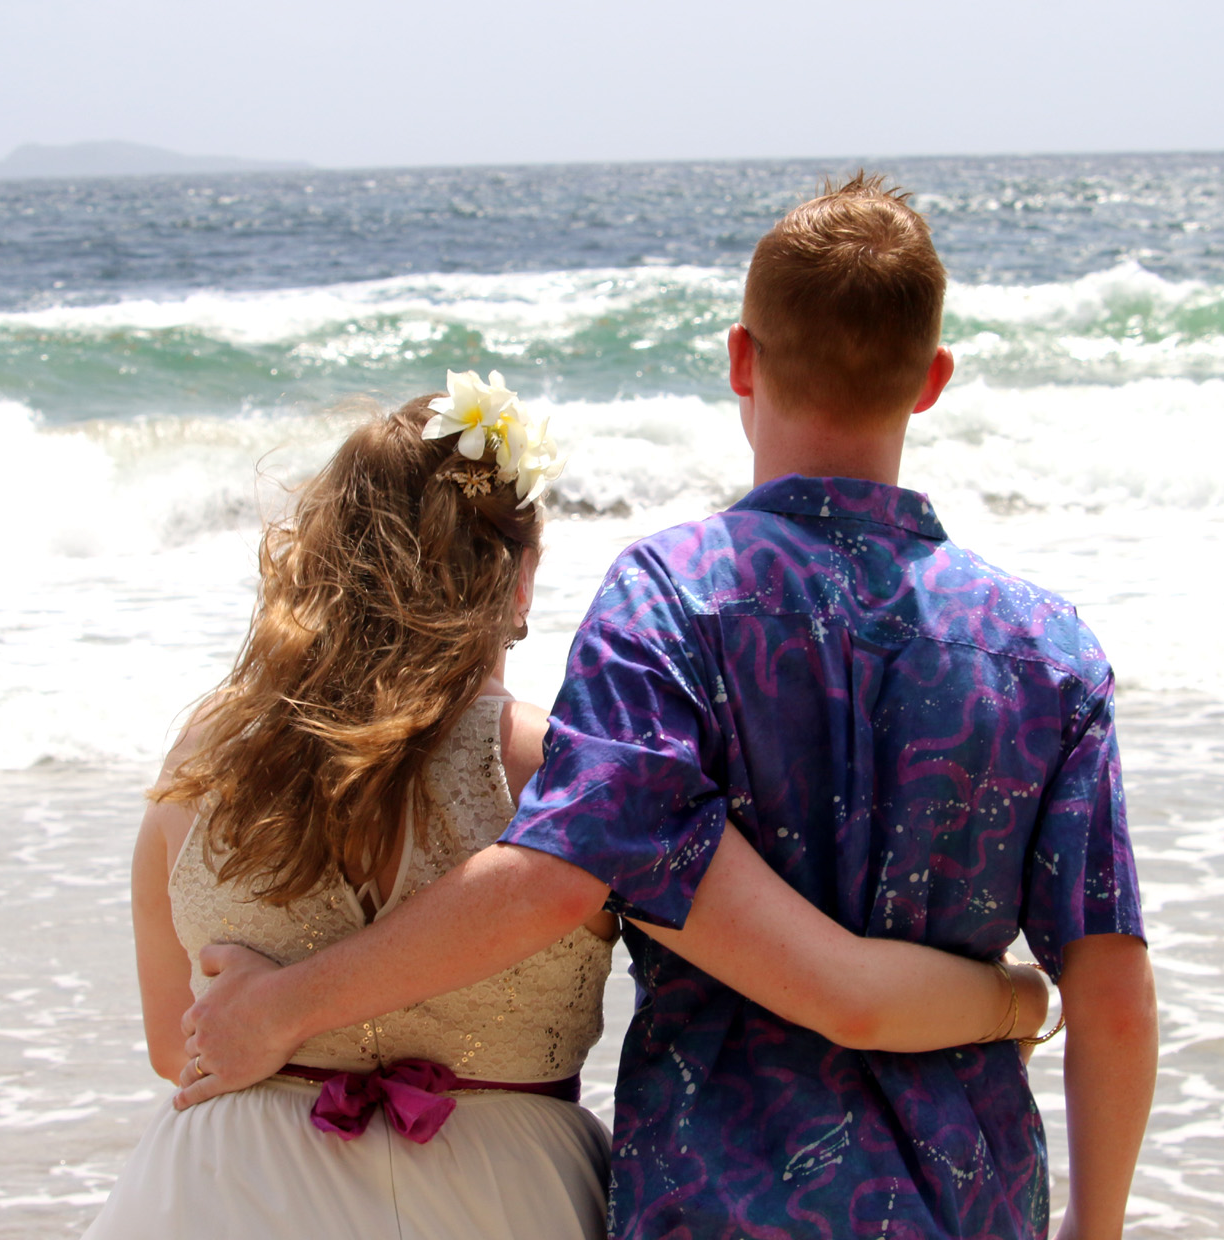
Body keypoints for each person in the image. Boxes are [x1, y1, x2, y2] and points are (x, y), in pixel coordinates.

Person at [175, 172, 1157, 1240]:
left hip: (718, 1203)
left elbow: (558, 872)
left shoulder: (669, 599)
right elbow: (1110, 994)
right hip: (968, 1200)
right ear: (932, 381)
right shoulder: (1047, 651)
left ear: (741, 358)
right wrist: (1095, 1225)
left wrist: (282, 1007)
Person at [86, 380, 1052, 1240]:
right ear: (520, 579)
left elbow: (181, 1048)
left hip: (220, 1192)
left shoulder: (205, 760)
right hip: (499, 1197)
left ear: (327, 557)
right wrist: (1019, 1000)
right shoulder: (568, 775)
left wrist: (286, 1017)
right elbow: (837, 992)